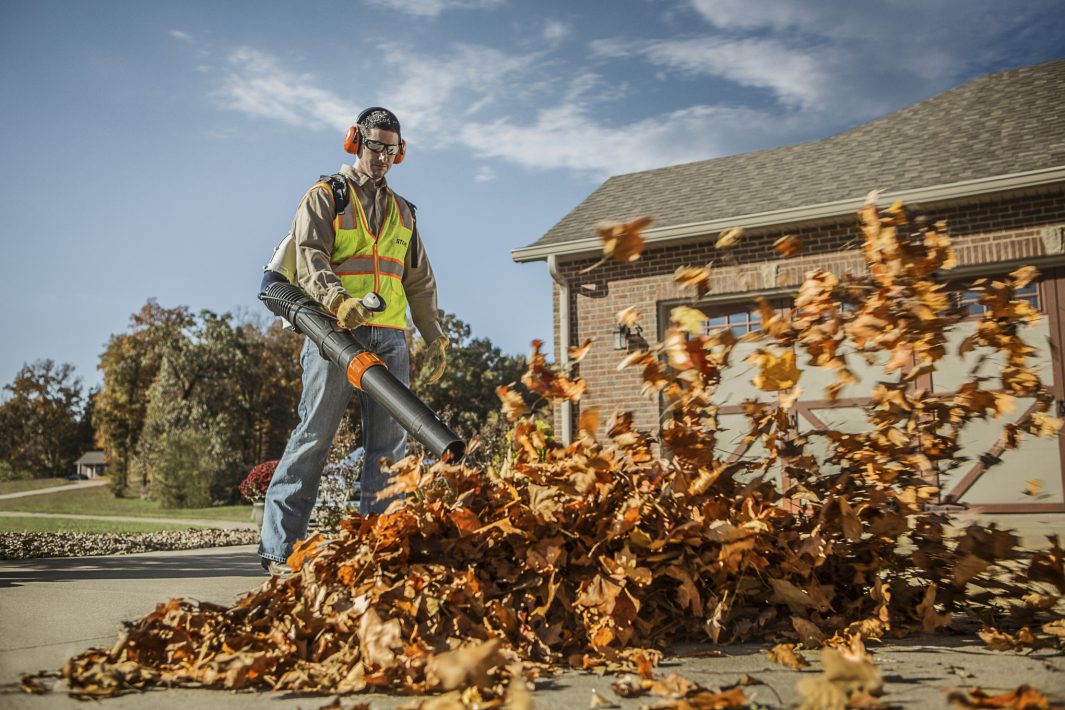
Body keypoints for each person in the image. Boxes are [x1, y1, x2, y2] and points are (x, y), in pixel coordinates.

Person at [258, 107, 448, 574]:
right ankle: (280, 551)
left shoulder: (405, 211)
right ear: (354, 143)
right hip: (334, 334)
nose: (381, 156)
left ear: (399, 153)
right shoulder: (327, 197)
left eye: (390, 149)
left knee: (390, 446)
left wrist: (434, 335)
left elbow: (418, 280)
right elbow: (309, 256)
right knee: (314, 436)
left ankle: (380, 549)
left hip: (390, 339)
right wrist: (338, 300)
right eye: (374, 146)